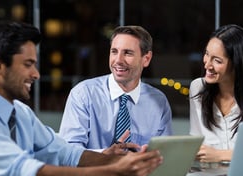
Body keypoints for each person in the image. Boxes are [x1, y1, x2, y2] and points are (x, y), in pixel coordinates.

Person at [0, 20, 163, 176]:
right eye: (28, 64)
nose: (36, 74)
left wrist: (124, 161)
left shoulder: (21, 113)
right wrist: (116, 172)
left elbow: (67, 154)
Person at [58, 25, 173, 154]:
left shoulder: (159, 102)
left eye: (128, 53)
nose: (118, 60)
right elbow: (68, 152)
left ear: (146, 59)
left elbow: (165, 153)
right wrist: (104, 156)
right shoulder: (83, 94)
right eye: (114, 51)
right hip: (95, 173)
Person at [189, 24, 243, 163]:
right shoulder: (198, 88)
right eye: (206, 54)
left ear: (237, 63)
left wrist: (221, 155)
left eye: (217, 60)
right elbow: (196, 142)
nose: (207, 65)